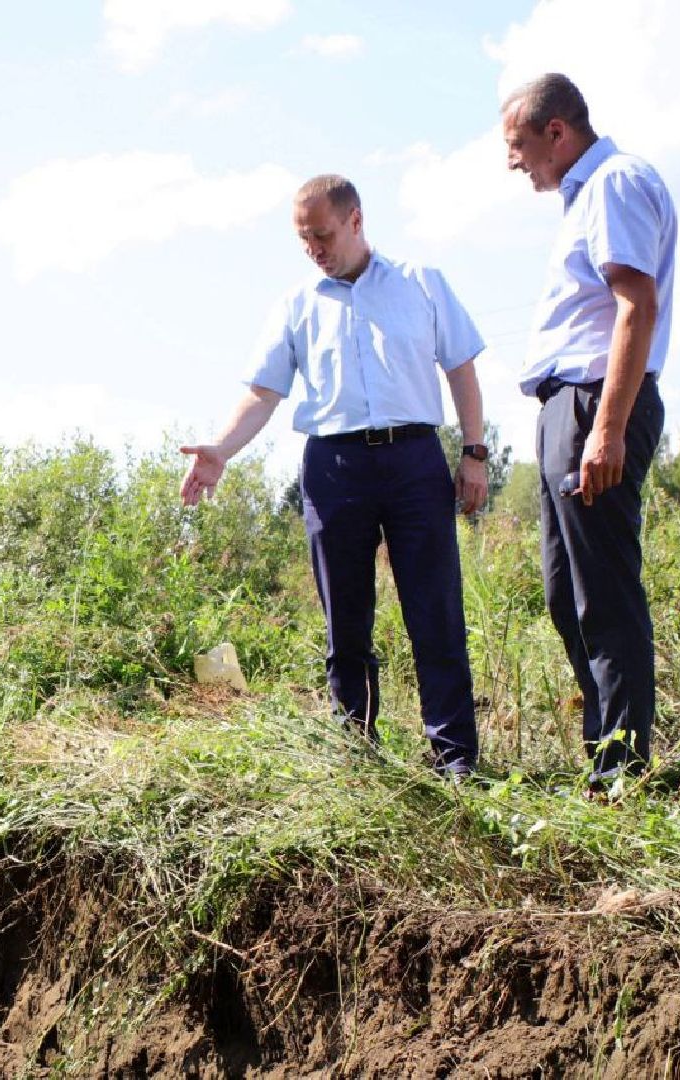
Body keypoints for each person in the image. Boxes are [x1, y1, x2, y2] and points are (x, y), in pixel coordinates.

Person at [180, 174, 489, 777]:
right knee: (344, 620)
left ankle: (456, 761)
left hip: (414, 461)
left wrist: (474, 452)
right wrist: (221, 449)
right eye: (303, 240)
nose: (314, 249)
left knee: (435, 612)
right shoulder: (296, 305)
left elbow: (462, 371)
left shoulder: (421, 284)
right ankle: (358, 752)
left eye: (322, 235)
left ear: (355, 220)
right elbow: (265, 393)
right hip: (334, 467)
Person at [501, 73, 676, 790]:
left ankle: (622, 771)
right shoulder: (586, 194)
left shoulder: (612, 182)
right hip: (565, 409)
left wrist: (604, 429)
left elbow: (636, 304)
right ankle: (605, 752)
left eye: (516, 146)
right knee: (562, 589)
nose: (512, 162)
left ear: (555, 132)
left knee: (601, 591)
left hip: (594, 405)